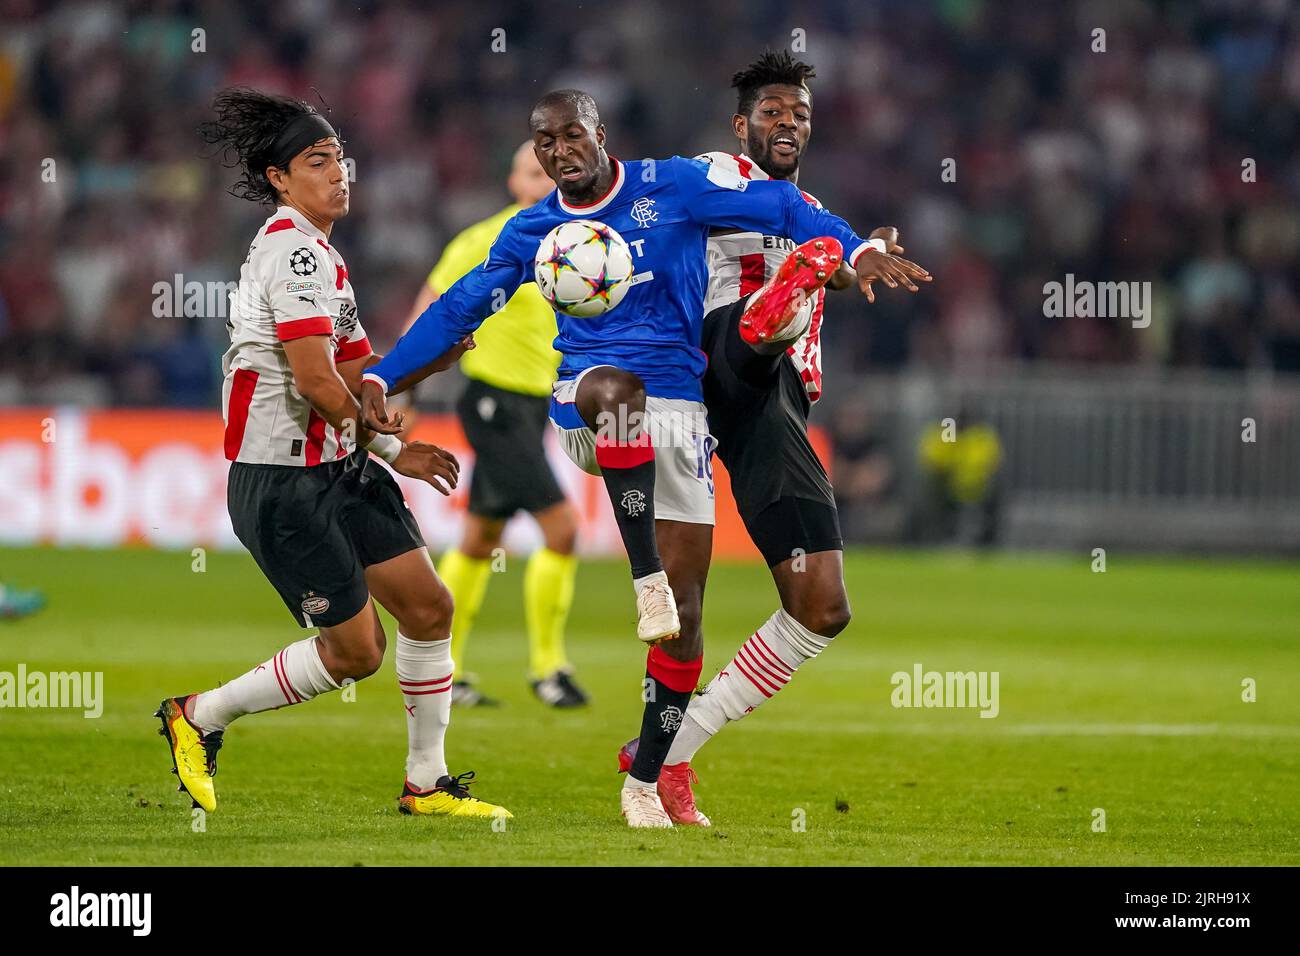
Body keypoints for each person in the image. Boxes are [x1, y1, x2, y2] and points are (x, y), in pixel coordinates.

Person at [359, 88, 927, 827]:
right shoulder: (534, 230)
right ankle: (643, 575)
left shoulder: (673, 186)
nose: (558, 151)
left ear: (600, 133)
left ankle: (647, 779)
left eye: (570, 135)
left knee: (687, 626)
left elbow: (785, 210)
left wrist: (854, 247)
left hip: (682, 414)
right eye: (543, 141)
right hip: (587, 403)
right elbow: (460, 307)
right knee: (614, 391)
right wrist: (380, 375)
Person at [156, 88, 510, 820]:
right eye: (319, 162)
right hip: (284, 482)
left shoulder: (319, 253)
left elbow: (352, 374)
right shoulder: (292, 252)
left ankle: (427, 784)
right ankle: (201, 714)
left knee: (428, 606)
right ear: (280, 178)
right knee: (356, 654)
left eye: (341, 159)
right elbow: (317, 384)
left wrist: (424, 368)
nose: (340, 173)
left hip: (334, 468)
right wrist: (391, 446)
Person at [617, 51, 931, 826]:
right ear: (742, 123)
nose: (788, 123)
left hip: (774, 409)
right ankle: (771, 313)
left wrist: (864, 251)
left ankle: (673, 749)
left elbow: (846, 269)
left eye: (800, 116)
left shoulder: (813, 210)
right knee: (760, 323)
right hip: (720, 358)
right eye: (773, 112)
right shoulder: (714, 172)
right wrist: (825, 258)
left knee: (821, 606)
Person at [406, 142, 585, 709]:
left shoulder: (577, 239)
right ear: (513, 182)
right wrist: (401, 384)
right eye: (532, 172)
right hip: (493, 401)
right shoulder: (489, 238)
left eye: (550, 171)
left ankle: (442, 674)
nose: (542, 181)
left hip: (532, 406)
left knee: (481, 539)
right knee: (563, 529)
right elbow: (431, 304)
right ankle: (548, 670)